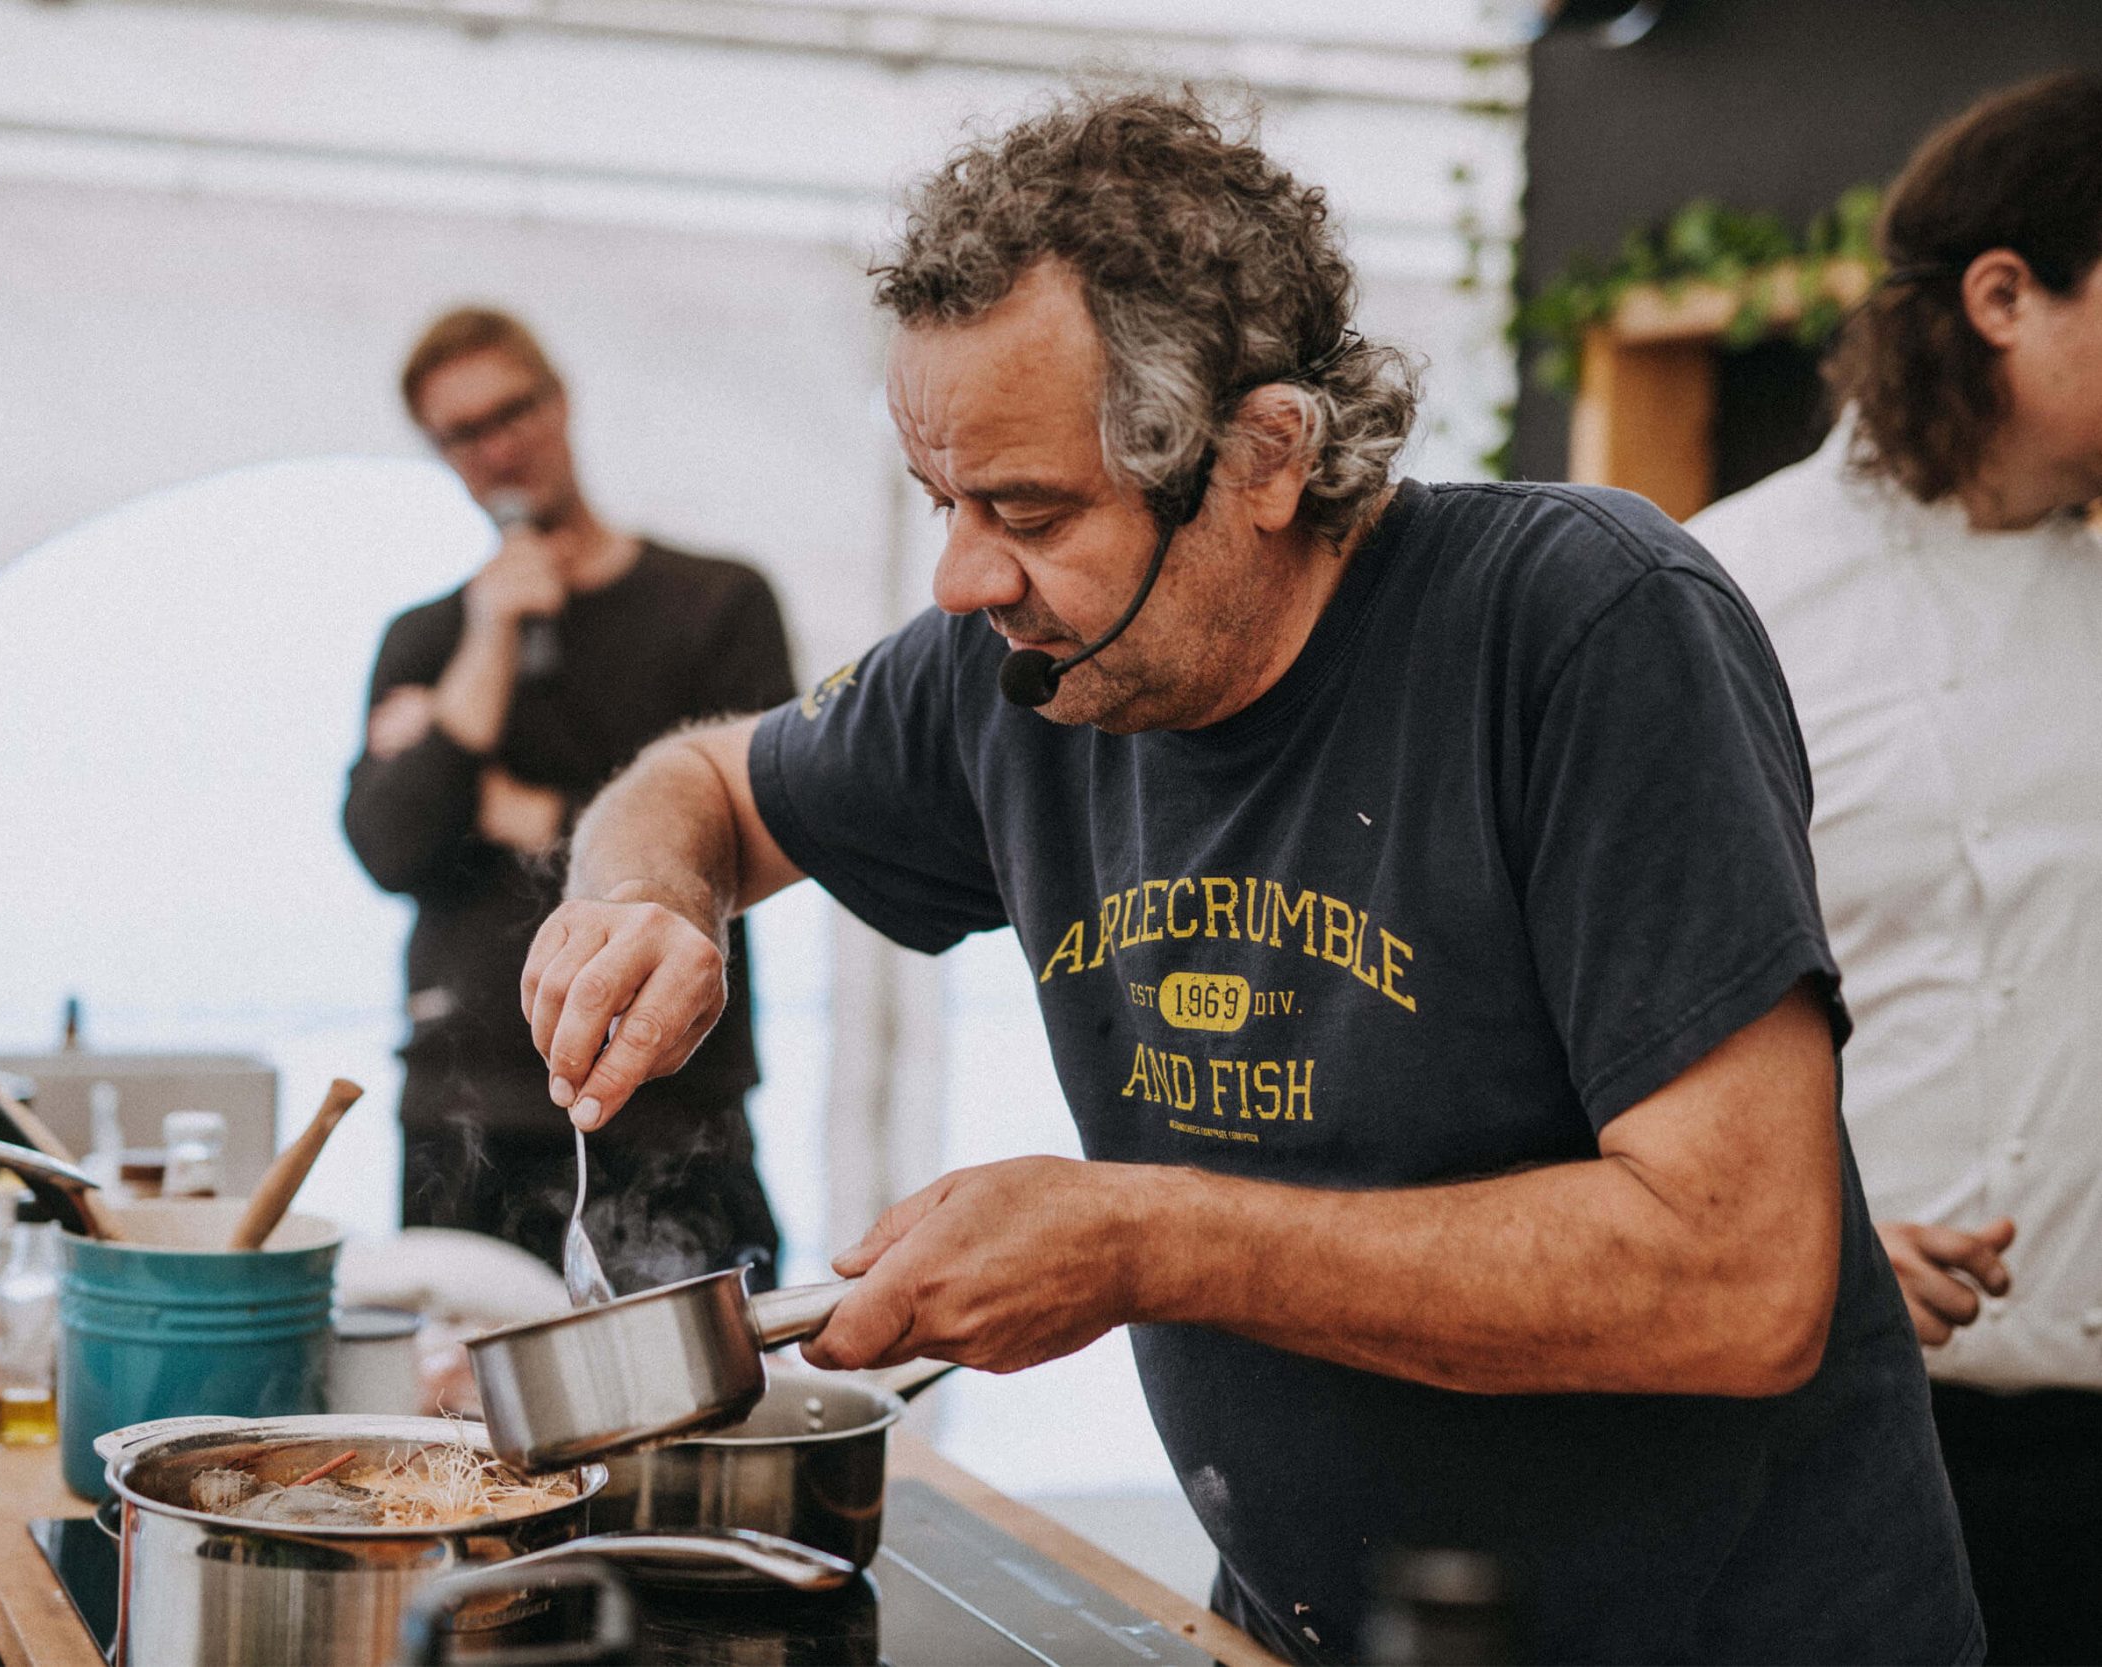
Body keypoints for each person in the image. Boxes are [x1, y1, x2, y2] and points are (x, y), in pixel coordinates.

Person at [514, 90, 1982, 1664]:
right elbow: (701, 783)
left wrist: (1142, 1240)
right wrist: (650, 896)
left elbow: (1740, 1279)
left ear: (1265, 452)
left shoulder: (1584, 628)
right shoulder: (1010, 665)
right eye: (947, 502)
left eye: (1029, 509)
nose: (961, 577)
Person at [1691, 70, 2102, 1667]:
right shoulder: (1725, 590)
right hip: (1823, 1441)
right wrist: (1825, 1239)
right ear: (2004, 296)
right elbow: (1565, 1036)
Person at [344, 307, 795, 1291]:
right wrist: (484, 648)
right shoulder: (429, 639)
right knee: (456, 1430)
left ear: (560, 400)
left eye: (513, 409)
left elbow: (765, 817)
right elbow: (390, 845)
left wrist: (520, 809)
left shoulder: (714, 602)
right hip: (466, 1112)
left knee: (696, 1423)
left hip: (674, 1102)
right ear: (440, 452)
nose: (498, 445)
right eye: (463, 431)